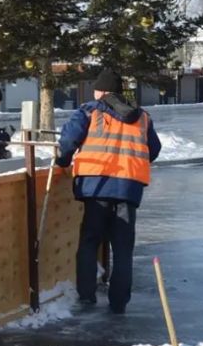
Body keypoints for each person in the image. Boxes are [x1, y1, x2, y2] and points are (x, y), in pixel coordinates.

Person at [55, 68, 161, 314]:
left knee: (90, 241)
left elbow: (69, 141)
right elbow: (153, 149)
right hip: (128, 189)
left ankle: (87, 295)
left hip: (96, 187)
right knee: (123, 248)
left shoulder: (89, 111)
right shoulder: (142, 117)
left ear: (100, 91)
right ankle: (119, 302)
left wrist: (63, 161)